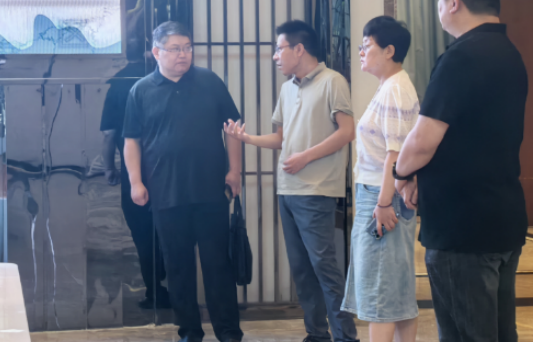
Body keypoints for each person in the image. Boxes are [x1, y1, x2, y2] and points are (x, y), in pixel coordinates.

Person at [393, 0, 529, 342]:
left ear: (453, 2)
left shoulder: (460, 58)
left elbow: (423, 140)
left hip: (462, 227)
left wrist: (401, 173)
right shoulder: (511, 55)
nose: (439, 6)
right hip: (502, 217)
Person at [224, 20, 358, 343]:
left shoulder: (333, 81)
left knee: (324, 267)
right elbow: (281, 139)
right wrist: (246, 139)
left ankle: (346, 337)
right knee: (301, 268)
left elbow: (347, 131)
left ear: (299, 49)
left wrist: (305, 157)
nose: (275, 56)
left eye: (279, 48)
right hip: (287, 190)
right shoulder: (287, 88)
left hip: (316, 191)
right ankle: (316, 333)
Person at [123, 21, 244, 342]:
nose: (183, 55)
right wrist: (136, 182)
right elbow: (131, 141)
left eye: (188, 48)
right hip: (165, 193)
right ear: (156, 52)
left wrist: (234, 170)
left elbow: (233, 128)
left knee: (218, 265)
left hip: (210, 191)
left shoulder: (209, 81)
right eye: (175, 49)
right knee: (178, 268)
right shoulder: (141, 90)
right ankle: (189, 331)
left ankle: (229, 332)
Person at [341, 16, 419, 342]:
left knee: (380, 293)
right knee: (395, 291)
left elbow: (394, 155)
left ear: (389, 51)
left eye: (367, 45)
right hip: (381, 194)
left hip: (382, 196)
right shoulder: (391, 86)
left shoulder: (395, 89)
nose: (361, 52)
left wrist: (384, 203)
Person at [99, 60, 171, 311]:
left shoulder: (116, 86)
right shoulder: (165, 81)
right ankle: (179, 290)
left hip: (134, 177)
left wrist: (109, 168)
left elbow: (109, 135)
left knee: (143, 237)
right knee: (174, 234)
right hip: (169, 175)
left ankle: (155, 290)